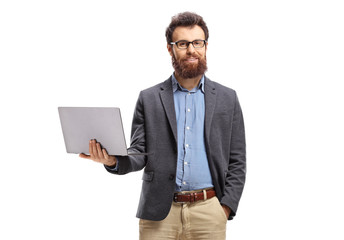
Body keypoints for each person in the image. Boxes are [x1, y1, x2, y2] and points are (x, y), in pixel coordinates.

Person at [80, 11, 246, 240]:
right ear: (170, 48)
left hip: (209, 212)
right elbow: (139, 153)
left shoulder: (228, 98)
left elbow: (237, 160)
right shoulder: (149, 98)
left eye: (197, 42)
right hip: (159, 213)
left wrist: (225, 207)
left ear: (206, 46)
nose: (191, 50)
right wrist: (113, 160)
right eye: (183, 43)